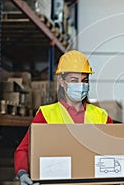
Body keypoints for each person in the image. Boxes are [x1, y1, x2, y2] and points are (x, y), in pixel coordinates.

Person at [14, 50, 113, 185]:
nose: (81, 85)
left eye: (84, 81)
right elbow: (24, 149)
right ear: (61, 81)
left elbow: (114, 151)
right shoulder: (46, 114)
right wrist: (22, 173)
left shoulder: (101, 116)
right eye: (74, 80)